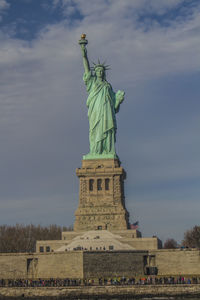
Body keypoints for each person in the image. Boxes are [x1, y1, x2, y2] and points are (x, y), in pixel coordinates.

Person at [79, 35, 125, 159]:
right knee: (95, 130)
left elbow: (114, 107)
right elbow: (86, 67)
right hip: (95, 111)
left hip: (107, 112)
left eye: (101, 71)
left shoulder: (108, 86)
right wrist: (83, 52)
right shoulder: (92, 82)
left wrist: (119, 100)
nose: (99, 72)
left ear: (104, 72)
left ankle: (107, 150)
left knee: (107, 130)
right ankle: (95, 151)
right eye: (98, 70)